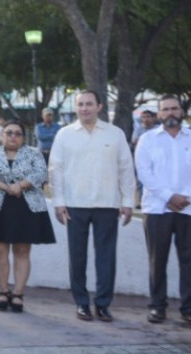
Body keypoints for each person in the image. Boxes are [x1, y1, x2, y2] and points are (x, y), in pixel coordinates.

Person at [50, 89, 135, 322]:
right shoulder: (65, 134)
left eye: (89, 104)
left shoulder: (115, 134)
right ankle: (81, 303)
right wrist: (59, 202)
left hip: (107, 204)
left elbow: (126, 169)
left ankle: (103, 304)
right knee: (77, 257)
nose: (84, 108)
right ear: (76, 107)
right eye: (80, 104)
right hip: (75, 205)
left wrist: (128, 202)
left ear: (99, 106)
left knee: (106, 257)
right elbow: (56, 170)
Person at [135, 95, 191, 327]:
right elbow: (144, 173)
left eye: (174, 109)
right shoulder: (147, 140)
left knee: (189, 261)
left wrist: (187, 197)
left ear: (181, 112)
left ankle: (189, 309)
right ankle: (157, 307)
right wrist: (169, 197)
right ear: (159, 114)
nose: (171, 113)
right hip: (157, 208)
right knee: (157, 260)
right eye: (165, 110)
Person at [0, 120, 56, 313]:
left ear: (23, 137)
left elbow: (41, 173)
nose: (13, 136)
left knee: (22, 251)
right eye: (9, 133)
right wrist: (6, 187)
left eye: (17, 133)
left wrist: (20, 185)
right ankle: (4, 291)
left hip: (27, 206)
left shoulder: (34, 153)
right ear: (2, 135)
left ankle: (18, 293)